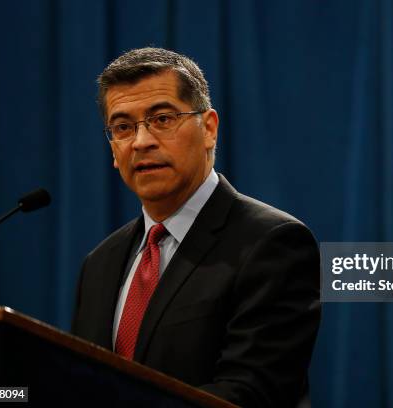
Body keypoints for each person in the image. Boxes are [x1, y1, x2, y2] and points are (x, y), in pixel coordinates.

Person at [71, 47, 321, 408]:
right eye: (123, 127)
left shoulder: (272, 242)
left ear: (209, 128)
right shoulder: (99, 264)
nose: (141, 142)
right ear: (113, 148)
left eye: (162, 119)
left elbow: (250, 391)